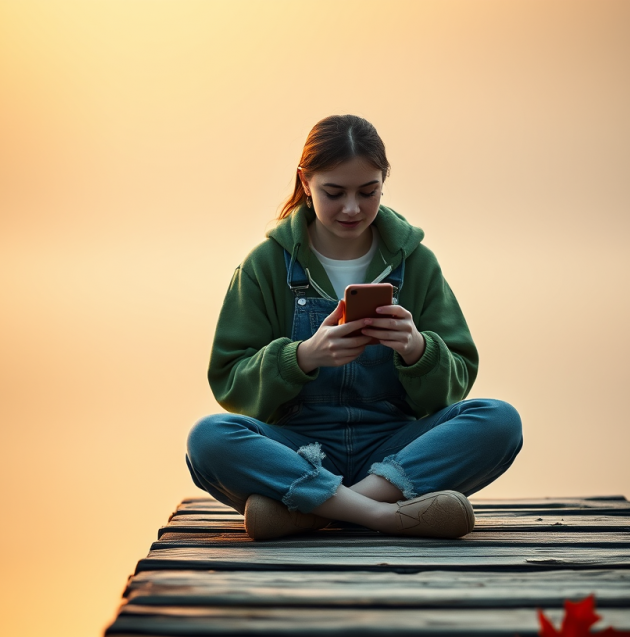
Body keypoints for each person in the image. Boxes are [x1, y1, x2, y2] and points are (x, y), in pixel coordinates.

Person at [186, 115, 522, 540]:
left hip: (395, 450)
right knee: (208, 438)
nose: (352, 208)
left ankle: (315, 510)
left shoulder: (418, 263)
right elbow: (230, 383)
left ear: (384, 183)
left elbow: (454, 387)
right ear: (305, 181)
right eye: (334, 192)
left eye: (368, 192)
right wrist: (301, 357)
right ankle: (381, 514)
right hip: (299, 450)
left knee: (500, 420)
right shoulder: (263, 265)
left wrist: (418, 351)